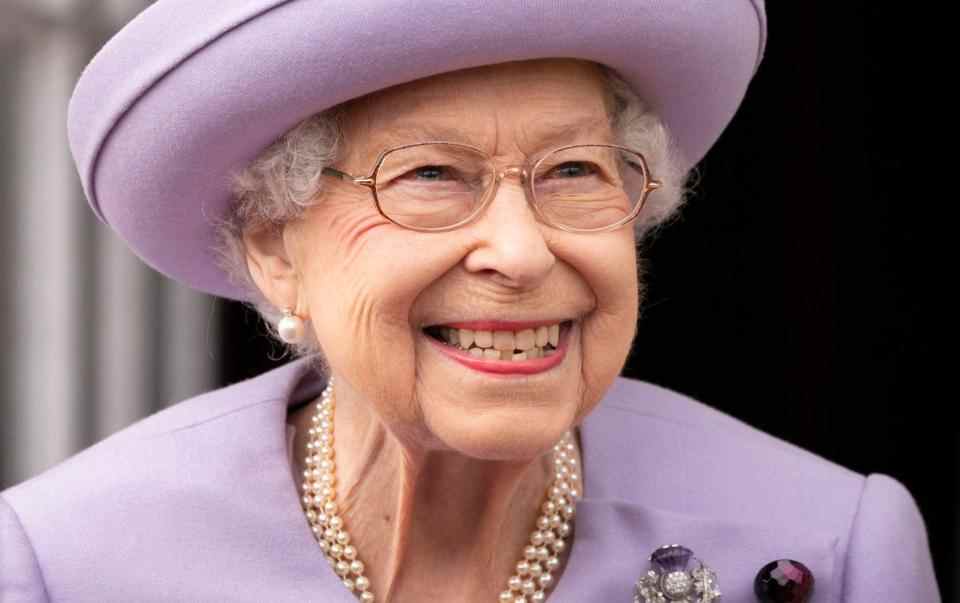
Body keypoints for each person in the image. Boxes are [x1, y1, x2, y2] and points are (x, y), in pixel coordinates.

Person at [0, 1, 940, 602]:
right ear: (277, 247)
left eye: (575, 170)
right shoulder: (61, 563)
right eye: (430, 176)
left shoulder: (828, 542)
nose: (522, 251)